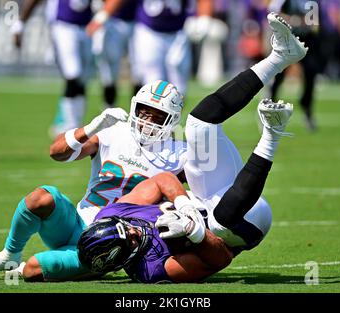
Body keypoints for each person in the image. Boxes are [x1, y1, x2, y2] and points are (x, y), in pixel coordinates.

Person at [76, 12, 307, 283]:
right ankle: (272, 133)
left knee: (199, 123)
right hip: (242, 222)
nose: (134, 230)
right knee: (221, 221)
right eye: (131, 239)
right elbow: (221, 259)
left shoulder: (114, 213)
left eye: (125, 228)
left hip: (201, 197)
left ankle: (280, 56)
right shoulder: (151, 270)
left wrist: (184, 206)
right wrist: (194, 232)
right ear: (125, 258)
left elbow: (162, 180)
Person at [0, 80, 187, 281]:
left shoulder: (180, 154)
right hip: (76, 223)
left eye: (157, 115)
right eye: (143, 111)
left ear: (172, 119)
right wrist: (93, 127)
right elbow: (56, 152)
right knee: (40, 197)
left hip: (112, 242)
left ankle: (92, 266)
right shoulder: (114, 132)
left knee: (33, 269)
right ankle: (9, 255)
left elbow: (207, 193)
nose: (147, 121)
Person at [11, 0, 96, 138]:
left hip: (86, 27)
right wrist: (20, 23)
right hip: (63, 25)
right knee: (73, 73)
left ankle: (75, 124)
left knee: (83, 79)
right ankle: (70, 126)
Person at [268, 0, 321, 131]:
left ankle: (307, 109)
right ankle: (269, 105)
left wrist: (302, 22)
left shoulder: (312, 2)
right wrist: (294, 20)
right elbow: (275, 15)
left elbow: (314, 24)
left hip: (307, 40)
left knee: (310, 73)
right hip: (287, 38)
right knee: (278, 74)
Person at [86, 0, 140, 108]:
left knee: (140, 73)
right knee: (109, 73)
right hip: (113, 22)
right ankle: (108, 112)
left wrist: (101, 17)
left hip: (140, 23)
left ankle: (140, 116)